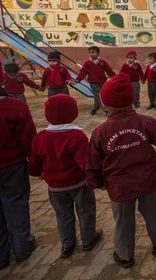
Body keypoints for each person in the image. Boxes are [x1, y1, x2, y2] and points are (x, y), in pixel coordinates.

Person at [87, 73, 156, 268]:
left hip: (119, 187)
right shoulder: (146, 122)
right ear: (131, 99)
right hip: (146, 181)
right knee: (153, 214)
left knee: (123, 222)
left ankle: (125, 255)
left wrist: (95, 181)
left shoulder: (101, 132)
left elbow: (93, 161)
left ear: (105, 103)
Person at [29, 95, 102, 259]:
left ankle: (67, 245)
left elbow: (33, 165)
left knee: (63, 214)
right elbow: (85, 163)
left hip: (55, 187)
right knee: (85, 211)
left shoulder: (39, 138)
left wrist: (39, 173)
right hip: (79, 184)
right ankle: (88, 239)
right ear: (73, 113)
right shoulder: (76, 136)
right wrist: (96, 179)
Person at [0, 87, 37, 268]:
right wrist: (35, 164)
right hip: (12, 165)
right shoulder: (16, 107)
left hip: (12, 164)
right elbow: (29, 138)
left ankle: (1, 254)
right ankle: (22, 246)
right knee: (16, 202)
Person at [75, 46, 116, 115]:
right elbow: (83, 72)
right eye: (90, 52)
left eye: (93, 52)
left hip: (102, 82)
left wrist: (116, 77)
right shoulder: (87, 63)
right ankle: (106, 111)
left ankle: (95, 108)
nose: (91, 54)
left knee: (99, 95)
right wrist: (77, 80)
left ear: (98, 53)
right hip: (93, 83)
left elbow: (109, 71)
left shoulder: (102, 62)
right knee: (99, 95)